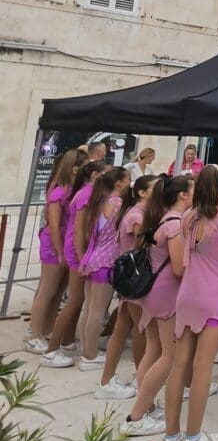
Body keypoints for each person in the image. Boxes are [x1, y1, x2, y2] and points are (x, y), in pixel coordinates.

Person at [165, 165, 218, 441]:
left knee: (179, 365)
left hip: (188, 292)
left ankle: (171, 435)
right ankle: (193, 436)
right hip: (213, 294)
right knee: (202, 367)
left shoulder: (188, 216)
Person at [123, 175, 192, 436]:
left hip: (153, 291)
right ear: (182, 195)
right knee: (168, 356)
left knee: (153, 350)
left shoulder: (163, 218)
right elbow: (179, 267)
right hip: (166, 294)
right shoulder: (174, 224)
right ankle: (136, 415)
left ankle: (145, 405)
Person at [96, 174, 157, 400]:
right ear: (142, 192)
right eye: (155, 188)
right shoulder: (137, 216)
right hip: (135, 280)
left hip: (130, 281)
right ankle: (142, 378)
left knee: (122, 329)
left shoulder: (135, 212)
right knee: (139, 330)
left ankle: (107, 379)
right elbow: (146, 244)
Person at [41, 161, 106, 367]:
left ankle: (67, 341)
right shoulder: (87, 195)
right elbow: (78, 230)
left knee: (78, 302)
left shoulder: (86, 192)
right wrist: (82, 258)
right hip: (77, 253)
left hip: (78, 251)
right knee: (74, 301)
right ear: (95, 175)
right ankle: (51, 350)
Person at [26, 149, 85, 353]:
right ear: (75, 169)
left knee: (58, 292)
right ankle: (34, 335)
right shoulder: (59, 191)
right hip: (53, 244)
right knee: (47, 290)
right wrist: (60, 252)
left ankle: (47, 329)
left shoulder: (73, 191)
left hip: (64, 245)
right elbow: (53, 224)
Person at [77, 167, 131, 371]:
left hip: (93, 258)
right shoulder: (117, 204)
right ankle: (89, 356)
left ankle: (86, 350)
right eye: (128, 179)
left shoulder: (101, 202)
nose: (130, 183)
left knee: (89, 309)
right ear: (119, 183)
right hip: (106, 261)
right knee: (97, 311)